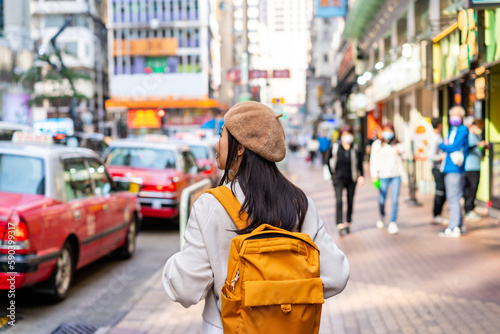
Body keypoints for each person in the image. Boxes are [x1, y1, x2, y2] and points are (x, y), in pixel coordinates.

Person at [163, 101, 350, 333]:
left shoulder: (210, 205)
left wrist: (172, 266)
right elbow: (337, 275)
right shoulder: (299, 203)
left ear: (240, 147)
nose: (217, 144)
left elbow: (186, 289)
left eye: (222, 134)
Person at [327, 125, 364, 236]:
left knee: (350, 200)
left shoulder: (356, 148)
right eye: (345, 134)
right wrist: (331, 174)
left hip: (351, 178)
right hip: (338, 178)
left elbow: (360, 164)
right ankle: (339, 224)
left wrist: (361, 175)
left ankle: (347, 222)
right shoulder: (335, 148)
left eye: (349, 134)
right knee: (339, 201)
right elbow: (327, 161)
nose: (347, 137)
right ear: (341, 136)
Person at [438, 106, 469, 237]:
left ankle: (453, 226)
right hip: (449, 167)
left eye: (457, 115)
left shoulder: (463, 130)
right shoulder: (453, 129)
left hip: (455, 169)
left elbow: (452, 146)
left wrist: (443, 145)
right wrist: (446, 146)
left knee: (453, 198)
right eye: (452, 115)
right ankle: (458, 225)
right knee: (454, 197)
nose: (454, 117)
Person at [370, 123, 404, 235]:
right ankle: (382, 215)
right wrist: (374, 175)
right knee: (382, 199)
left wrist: (401, 152)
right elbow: (373, 160)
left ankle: (393, 221)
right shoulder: (377, 145)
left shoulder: (397, 145)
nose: (388, 133)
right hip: (382, 176)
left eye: (390, 130)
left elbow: (405, 156)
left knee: (394, 199)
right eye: (385, 130)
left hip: (395, 175)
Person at [464, 118, 488, 221]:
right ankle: (468, 210)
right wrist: (478, 145)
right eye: (479, 127)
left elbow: (478, 150)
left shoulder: (476, 136)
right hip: (470, 166)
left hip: (476, 165)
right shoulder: (468, 136)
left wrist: (483, 147)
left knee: (474, 188)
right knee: (471, 188)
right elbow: (467, 147)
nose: (479, 129)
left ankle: (471, 208)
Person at [428, 118, 447, 224]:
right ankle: (436, 214)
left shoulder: (439, 136)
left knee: (443, 191)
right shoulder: (434, 138)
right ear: (439, 125)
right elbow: (430, 155)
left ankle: (438, 214)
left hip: (441, 168)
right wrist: (441, 157)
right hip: (437, 168)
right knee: (440, 192)